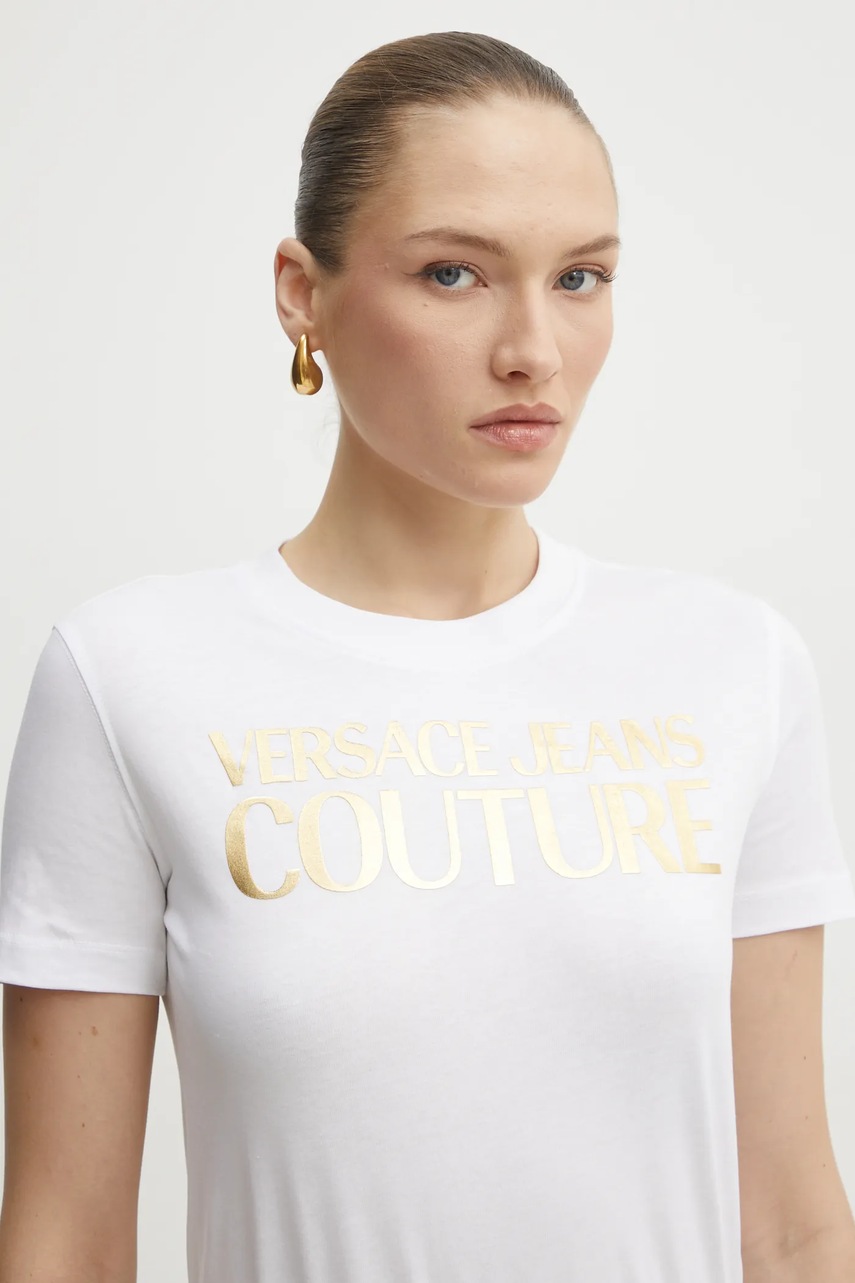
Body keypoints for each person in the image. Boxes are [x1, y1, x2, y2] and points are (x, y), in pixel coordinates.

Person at [1, 29, 853, 1283]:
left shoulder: (735, 667)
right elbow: (65, 1242)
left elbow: (792, 1226)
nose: (534, 349)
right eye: (455, 274)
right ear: (302, 293)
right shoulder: (131, 676)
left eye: (581, 276)